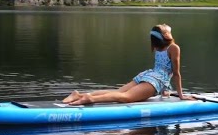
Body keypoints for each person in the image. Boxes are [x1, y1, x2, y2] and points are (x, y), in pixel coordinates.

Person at [62, 24, 194, 105]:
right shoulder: (173, 47)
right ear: (165, 35)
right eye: (164, 27)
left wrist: (165, 90)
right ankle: (89, 99)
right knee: (126, 97)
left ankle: (79, 95)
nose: (165, 25)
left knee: (118, 92)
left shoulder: (157, 47)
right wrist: (181, 95)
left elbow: (163, 68)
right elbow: (175, 73)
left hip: (149, 75)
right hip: (156, 80)